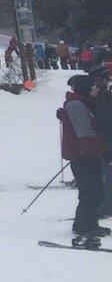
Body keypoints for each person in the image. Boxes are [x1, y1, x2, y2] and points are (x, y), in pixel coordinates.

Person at [60, 74, 106, 246]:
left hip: (86, 153)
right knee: (91, 190)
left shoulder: (82, 103)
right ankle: (85, 226)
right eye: (93, 86)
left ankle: (89, 224)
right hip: (83, 155)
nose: (95, 89)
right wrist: (100, 143)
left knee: (94, 189)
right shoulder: (77, 105)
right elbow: (84, 132)